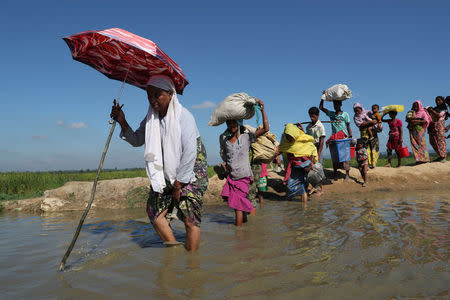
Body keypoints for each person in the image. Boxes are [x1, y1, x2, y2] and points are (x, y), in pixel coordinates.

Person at [110, 75, 208, 251]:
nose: (153, 100)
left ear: (170, 94)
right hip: (166, 172)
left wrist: (179, 184)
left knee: (189, 218)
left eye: (157, 95)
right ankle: (175, 252)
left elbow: (190, 152)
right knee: (154, 212)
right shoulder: (150, 119)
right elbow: (137, 139)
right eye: (149, 96)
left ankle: (192, 268)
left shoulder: (184, 117)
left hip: (191, 170)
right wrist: (121, 121)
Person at [219, 99, 269, 227]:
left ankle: (239, 235)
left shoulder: (246, 138)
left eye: (233, 123)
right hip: (232, 178)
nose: (231, 126)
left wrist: (262, 110)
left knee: (237, 208)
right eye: (228, 124)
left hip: (244, 178)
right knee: (240, 206)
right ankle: (245, 226)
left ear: (239, 123)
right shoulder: (226, 141)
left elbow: (265, 129)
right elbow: (227, 159)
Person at [278, 123, 318, 203]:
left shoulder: (303, 140)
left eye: (291, 137)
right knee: (289, 186)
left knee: (303, 188)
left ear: (295, 135)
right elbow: (280, 150)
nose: (290, 139)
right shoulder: (285, 143)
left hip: (304, 167)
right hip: (293, 168)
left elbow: (312, 150)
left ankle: (304, 208)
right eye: (288, 137)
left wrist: (311, 163)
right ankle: (290, 207)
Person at [320, 98, 352, 181]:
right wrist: (323, 98)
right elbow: (321, 108)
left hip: (344, 138)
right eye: (334, 105)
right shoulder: (331, 114)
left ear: (340, 105)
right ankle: (335, 174)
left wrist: (350, 136)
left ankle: (347, 175)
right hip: (334, 138)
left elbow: (348, 126)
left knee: (345, 157)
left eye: (337, 104)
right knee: (335, 156)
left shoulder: (345, 114)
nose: (335, 106)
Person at [353, 103, 380, 169]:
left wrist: (377, 122)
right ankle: (367, 164)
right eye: (355, 110)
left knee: (374, 147)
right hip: (364, 133)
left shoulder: (368, 112)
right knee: (366, 148)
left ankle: (373, 164)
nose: (357, 111)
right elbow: (360, 125)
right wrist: (370, 122)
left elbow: (376, 118)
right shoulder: (355, 117)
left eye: (358, 109)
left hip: (372, 132)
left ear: (361, 108)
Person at [426, 96, 448, 161]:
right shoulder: (435, 108)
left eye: (439, 100)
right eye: (436, 100)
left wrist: (431, 110)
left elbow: (439, 115)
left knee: (440, 141)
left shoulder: (444, 109)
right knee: (432, 141)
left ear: (442, 101)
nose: (437, 102)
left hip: (439, 126)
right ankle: (440, 155)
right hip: (432, 126)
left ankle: (443, 156)